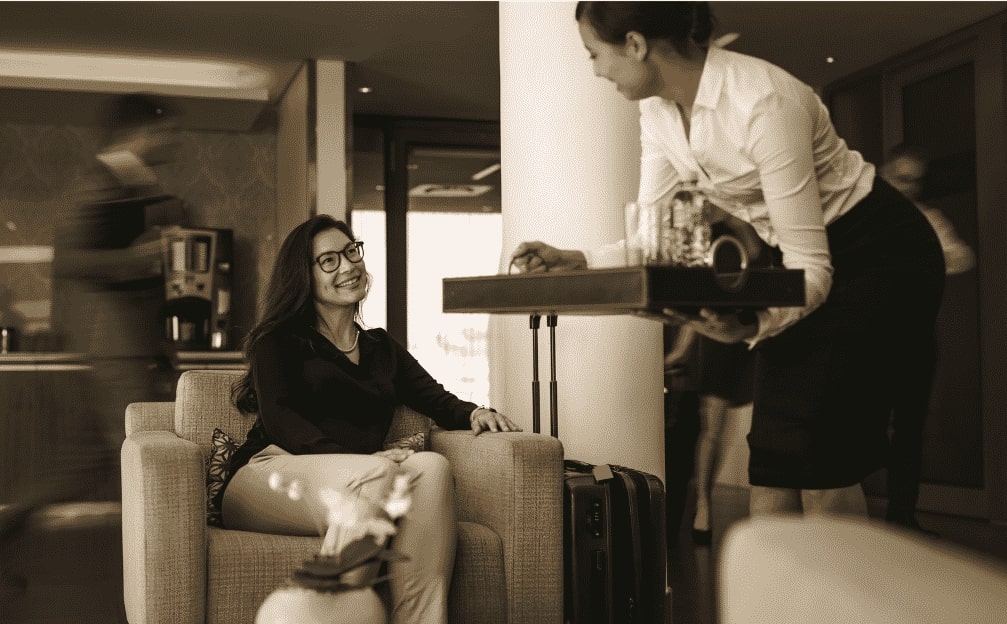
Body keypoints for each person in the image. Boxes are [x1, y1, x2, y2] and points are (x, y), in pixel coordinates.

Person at [510, 2, 946, 519]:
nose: (596, 70)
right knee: (775, 452)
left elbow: (812, 268)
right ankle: (772, 576)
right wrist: (579, 260)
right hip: (800, 256)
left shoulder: (764, 101)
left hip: (881, 252)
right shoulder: (658, 111)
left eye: (594, 53)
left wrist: (754, 323)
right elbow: (652, 240)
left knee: (823, 453)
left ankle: (844, 570)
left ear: (635, 45)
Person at [221, 215, 521, 624]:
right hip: (269, 473)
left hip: (359, 478)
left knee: (431, 468)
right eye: (329, 260)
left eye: (351, 252)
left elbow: (436, 398)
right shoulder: (278, 341)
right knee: (378, 475)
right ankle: (327, 612)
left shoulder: (381, 348)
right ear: (303, 276)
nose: (348, 266)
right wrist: (364, 461)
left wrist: (475, 412)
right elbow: (281, 420)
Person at [0, 93, 183, 539]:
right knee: (137, 451)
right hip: (114, 342)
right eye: (166, 131)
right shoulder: (99, 181)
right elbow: (69, 260)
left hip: (128, 342)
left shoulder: (135, 184)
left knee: (89, 454)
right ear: (141, 131)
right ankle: (156, 551)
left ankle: (14, 517)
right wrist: (139, 257)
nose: (173, 140)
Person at [879, 144, 976, 532]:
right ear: (883, 174)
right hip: (868, 338)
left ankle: (901, 516)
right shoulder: (860, 217)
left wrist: (920, 256)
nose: (908, 187)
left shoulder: (929, 221)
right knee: (863, 422)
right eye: (900, 178)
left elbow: (962, 257)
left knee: (910, 429)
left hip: (917, 338)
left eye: (915, 180)